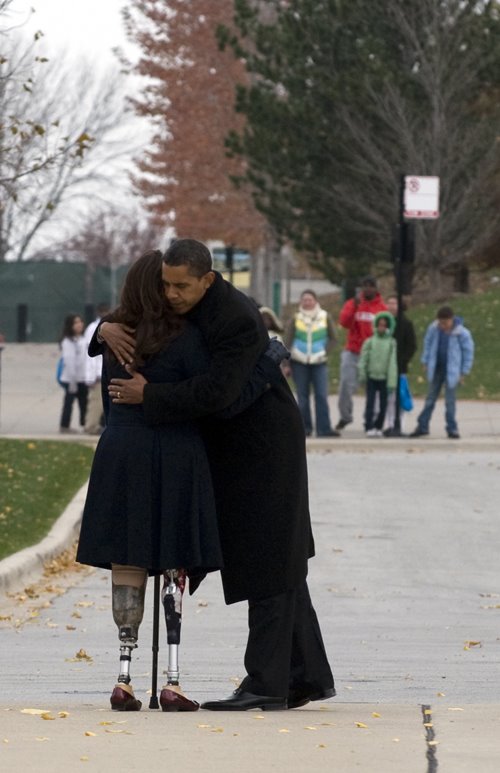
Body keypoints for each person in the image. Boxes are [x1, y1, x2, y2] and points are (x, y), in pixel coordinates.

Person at [93, 238, 335, 712]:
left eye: (180, 286)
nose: (171, 295)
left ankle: (266, 682)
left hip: (264, 445)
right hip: (233, 445)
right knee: (280, 560)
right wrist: (103, 328)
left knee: (269, 558)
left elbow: (218, 394)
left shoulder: (235, 318)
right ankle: (303, 676)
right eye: (165, 284)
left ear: (207, 279)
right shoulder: (184, 302)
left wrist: (150, 396)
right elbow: (138, 310)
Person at [409, 306, 474, 440]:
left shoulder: (462, 333)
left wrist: (463, 372)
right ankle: (422, 426)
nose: (443, 326)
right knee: (430, 399)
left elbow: (468, 353)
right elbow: (428, 343)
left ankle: (452, 428)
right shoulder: (433, 329)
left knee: (450, 401)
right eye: (441, 323)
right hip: (436, 368)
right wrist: (425, 361)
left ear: (452, 319)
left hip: (452, 371)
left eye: (445, 323)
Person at [284, 290, 339, 437]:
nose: (307, 302)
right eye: (304, 300)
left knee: (321, 395)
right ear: (301, 302)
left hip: (319, 361)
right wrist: (286, 364)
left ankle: (324, 429)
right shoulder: (296, 318)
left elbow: (334, 338)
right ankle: (305, 428)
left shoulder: (324, 316)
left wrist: (324, 352)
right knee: (302, 397)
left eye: (310, 300)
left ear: (315, 301)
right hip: (299, 361)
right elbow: (287, 341)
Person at [336, 276, 387, 431]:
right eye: (365, 286)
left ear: (376, 288)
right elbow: (344, 322)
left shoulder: (381, 308)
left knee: (373, 389)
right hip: (352, 351)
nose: (368, 289)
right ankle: (345, 416)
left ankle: (371, 420)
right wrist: (355, 307)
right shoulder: (353, 303)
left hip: (372, 354)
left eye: (371, 286)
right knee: (346, 384)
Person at [357, 311, 397, 437]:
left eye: (384, 325)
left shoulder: (391, 343)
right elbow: (364, 358)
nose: (381, 327)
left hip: (384, 378)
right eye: (379, 325)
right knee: (370, 403)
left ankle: (379, 426)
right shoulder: (370, 341)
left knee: (383, 405)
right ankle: (369, 425)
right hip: (372, 377)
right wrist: (362, 374)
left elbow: (392, 362)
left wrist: (391, 381)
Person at [383, 295, 417, 435]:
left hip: (399, 367)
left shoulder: (406, 324)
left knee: (399, 397)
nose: (391, 306)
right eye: (389, 303)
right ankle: (388, 424)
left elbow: (412, 346)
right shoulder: (382, 323)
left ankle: (399, 424)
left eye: (394, 303)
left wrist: (402, 361)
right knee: (387, 398)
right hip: (383, 367)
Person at [58, 313, 88, 434]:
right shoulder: (68, 341)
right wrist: (72, 381)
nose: (79, 325)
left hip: (83, 378)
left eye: (80, 322)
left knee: (84, 403)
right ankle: (64, 425)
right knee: (69, 403)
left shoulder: (84, 339)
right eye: (76, 323)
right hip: (71, 379)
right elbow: (69, 361)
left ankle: (85, 424)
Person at [84, 302, 111, 435]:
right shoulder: (92, 328)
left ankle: (98, 425)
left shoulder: (110, 326)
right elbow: (90, 354)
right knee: (96, 402)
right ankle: (91, 426)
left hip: (105, 371)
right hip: (96, 374)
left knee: (103, 402)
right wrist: (90, 376)